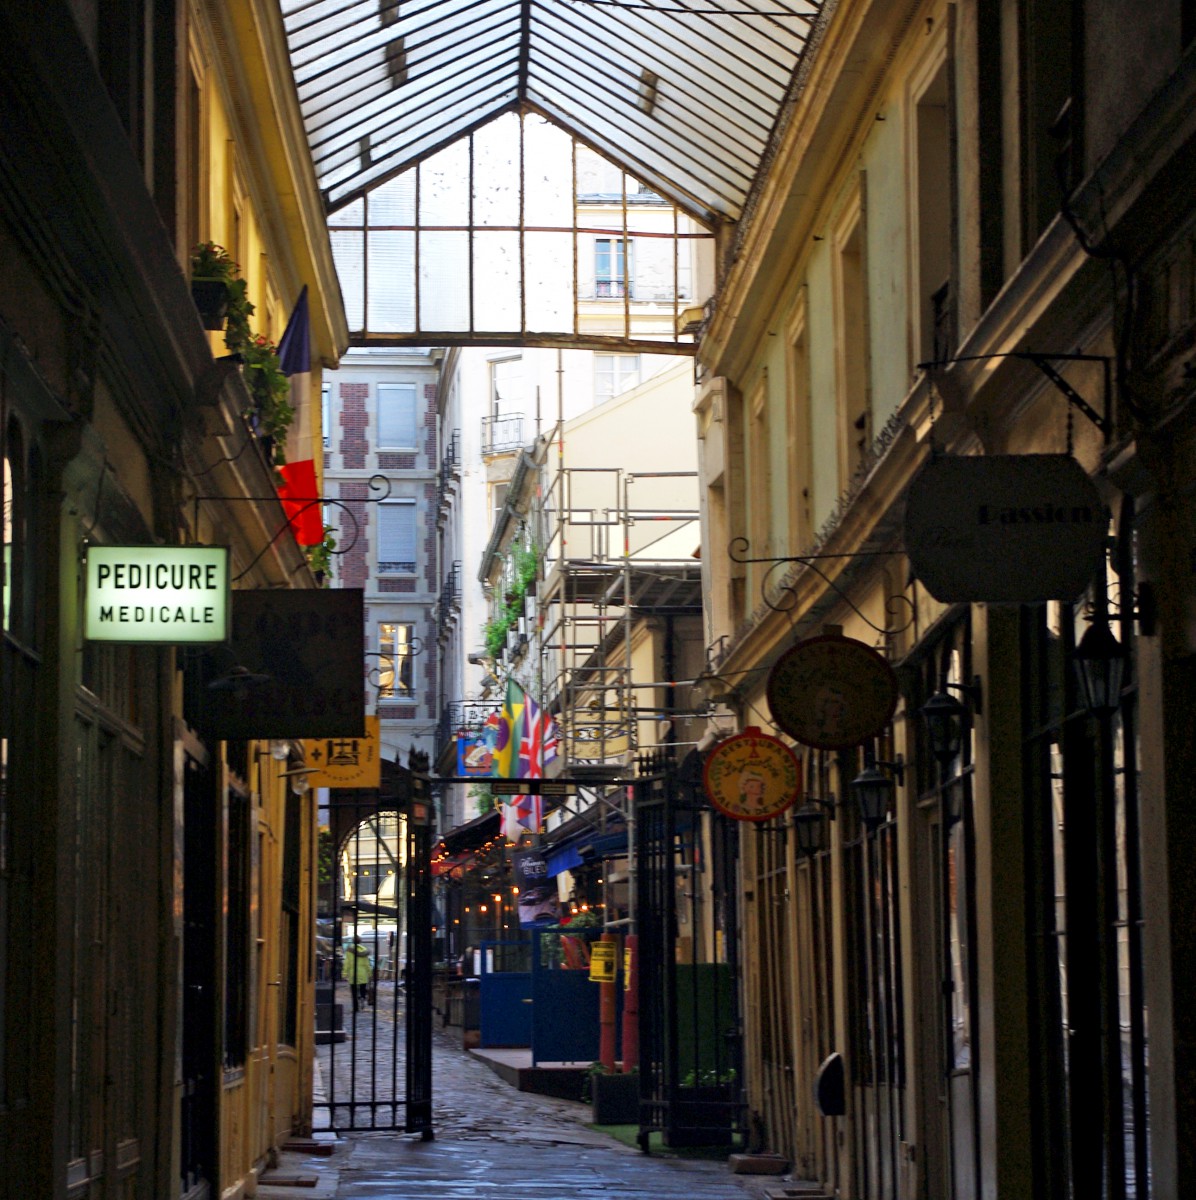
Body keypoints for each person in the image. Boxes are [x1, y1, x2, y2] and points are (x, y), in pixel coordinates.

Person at [344, 938, 373, 1011]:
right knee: (362, 988)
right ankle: (362, 998)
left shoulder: (349, 951)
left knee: (354, 991)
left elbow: (346, 963)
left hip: (353, 973)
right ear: (360, 941)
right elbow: (367, 964)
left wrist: (344, 973)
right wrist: (369, 973)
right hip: (363, 973)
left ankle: (355, 1007)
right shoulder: (364, 950)